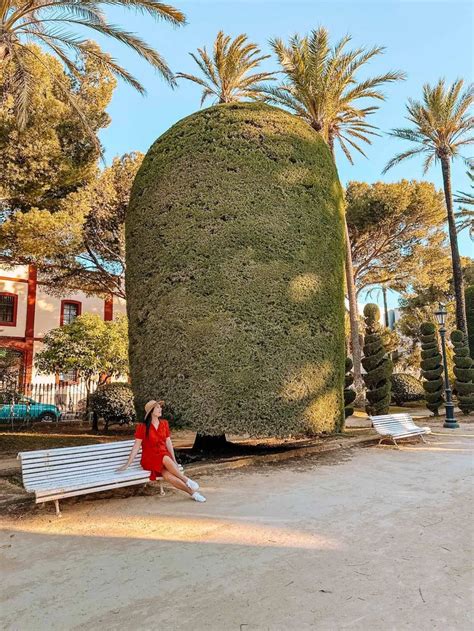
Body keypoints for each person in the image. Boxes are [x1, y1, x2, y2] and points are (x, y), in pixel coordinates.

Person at [117, 399, 206, 502]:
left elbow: (168, 443)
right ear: (151, 412)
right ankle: (186, 480)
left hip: (164, 457)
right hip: (150, 459)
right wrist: (128, 464)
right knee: (164, 457)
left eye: (160, 407)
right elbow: (136, 446)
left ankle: (193, 494)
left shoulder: (164, 424)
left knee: (167, 476)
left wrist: (174, 460)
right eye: (157, 407)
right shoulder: (142, 427)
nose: (160, 409)